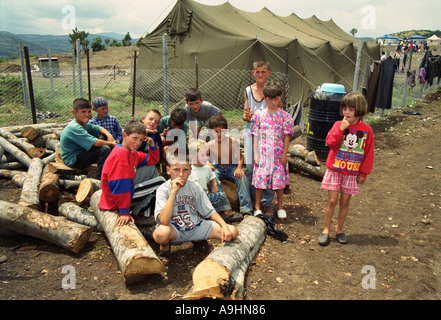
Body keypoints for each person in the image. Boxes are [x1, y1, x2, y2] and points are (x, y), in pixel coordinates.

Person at [152, 152, 239, 264]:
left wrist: (224, 226)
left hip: (194, 227)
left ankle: (199, 240)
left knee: (233, 231)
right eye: (176, 170)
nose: (181, 174)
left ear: (190, 171)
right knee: (160, 234)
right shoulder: (163, 189)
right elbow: (163, 221)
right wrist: (173, 192)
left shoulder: (195, 187)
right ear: (168, 170)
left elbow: (210, 212)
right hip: (175, 230)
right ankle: (165, 246)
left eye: (185, 170)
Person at [318, 93, 375, 245]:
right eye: (344, 109)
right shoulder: (338, 125)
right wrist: (341, 130)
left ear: (359, 110)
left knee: (344, 202)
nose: (347, 112)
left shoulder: (367, 130)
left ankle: (339, 230)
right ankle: (326, 230)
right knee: (332, 200)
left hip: (352, 172)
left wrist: (364, 173)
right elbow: (330, 143)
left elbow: (369, 153)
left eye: (351, 109)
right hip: (335, 170)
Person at [99, 120, 160, 226]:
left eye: (141, 140)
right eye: (134, 138)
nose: (138, 143)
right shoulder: (122, 154)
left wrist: (152, 144)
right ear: (124, 135)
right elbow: (120, 184)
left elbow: (153, 160)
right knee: (160, 183)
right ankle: (139, 213)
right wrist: (124, 212)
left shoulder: (131, 153)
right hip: (114, 201)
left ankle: (145, 212)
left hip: (118, 195)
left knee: (151, 168)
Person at [250, 81, 294, 219]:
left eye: (276, 98)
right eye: (270, 98)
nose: (273, 102)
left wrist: (284, 154)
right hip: (263, 155)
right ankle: (257, 207)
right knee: (260, 181)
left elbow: (287, 136)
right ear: (265, 97)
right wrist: (256, 154)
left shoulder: (285, 116)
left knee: (278, 182)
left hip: (277, 155)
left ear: (280, 97)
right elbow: (255, 135)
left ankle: (280, 206)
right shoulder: (259, 115)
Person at [242, 59, 275, 215]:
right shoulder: (248, 90)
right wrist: (248, 116)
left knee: (267, 166)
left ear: (268, 73)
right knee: (250, 166)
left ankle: (267, 201)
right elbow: (245, 115)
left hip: (268, 131)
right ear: (253, 73)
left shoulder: (272, 90)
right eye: (257, 71)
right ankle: (252, 200)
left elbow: (276, 110)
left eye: (263, 71)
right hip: (251, 129)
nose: (260, 74)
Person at [207, 114, 253, 217]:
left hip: (231, 167)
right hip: (217, 167)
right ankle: (225, 207)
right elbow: (203, 157)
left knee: (242, 177)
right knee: (213, 178)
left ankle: (246, 208)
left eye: (221, 131)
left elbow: (241, 158)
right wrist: (208, 163)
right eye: (216, 132)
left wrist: (239, 168)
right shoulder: (210, 144)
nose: (219, 134)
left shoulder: (232, 141)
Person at [60, 98, 117, 179]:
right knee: (104, 149)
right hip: (73, 159)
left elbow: (99, 128)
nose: (87, 114)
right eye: (83, 112)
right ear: (74, 113)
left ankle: (108, 169)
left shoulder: (83, 124)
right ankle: (100, 179)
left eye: (89, 111)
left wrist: (109, 136)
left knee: (103, 137)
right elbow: (96, 143)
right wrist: (111, 143)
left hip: (81, 152)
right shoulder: (74, 127)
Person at [188, 139, 234, 220]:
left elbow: (212, 176)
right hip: (193, 200)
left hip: (205, 197)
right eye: (202, 155)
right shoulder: (189, 170)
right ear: (193, 156)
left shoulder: (206, 168)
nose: (206, 157)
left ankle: (225, 212)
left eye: (208, 154)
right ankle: (204, 216)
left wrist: (214, 186)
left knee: (220, 196)